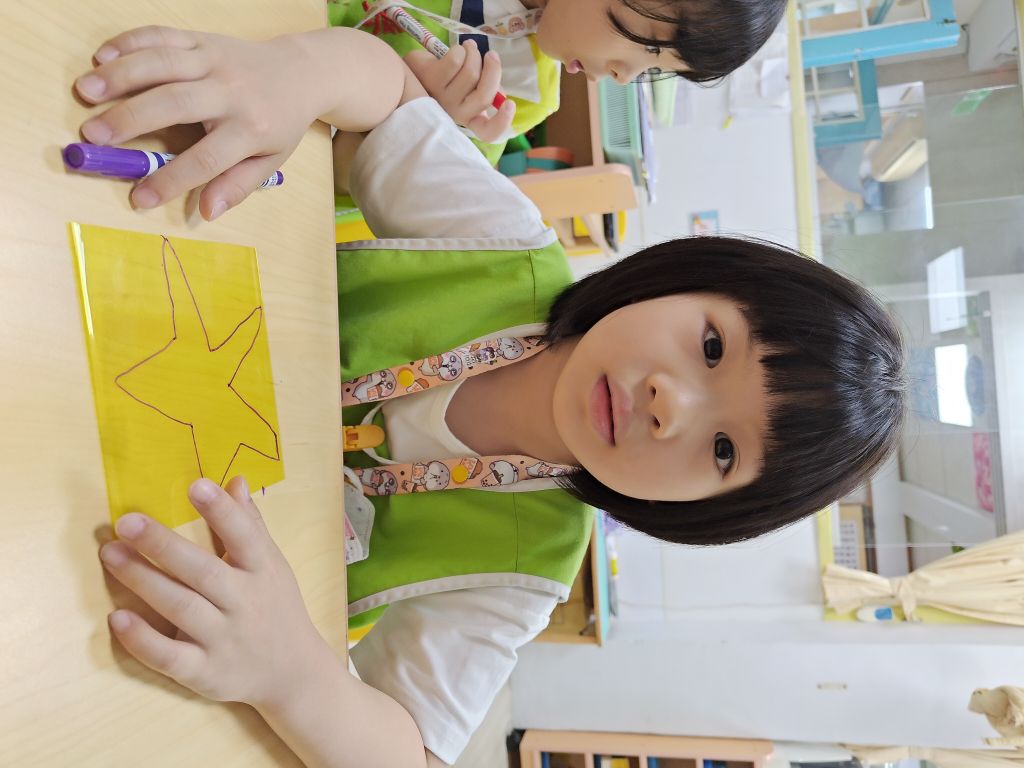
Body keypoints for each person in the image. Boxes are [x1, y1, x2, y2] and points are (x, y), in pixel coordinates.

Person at [77, 25, 906, 767]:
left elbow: (415, 753)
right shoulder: (504, 246)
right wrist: (294, 72)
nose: (670, 406)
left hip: (132, 541)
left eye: (723, 451)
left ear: (704, 514)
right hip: (118, 309)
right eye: (713, 347)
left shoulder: (524, 568)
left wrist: (294, 675)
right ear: (682, 279)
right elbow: (386, 95)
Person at [328, 0, 788, 155]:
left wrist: (423, 119)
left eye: (653, 69)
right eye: (649, 47)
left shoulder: (514, 102)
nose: (623, 77)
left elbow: (345, 179)